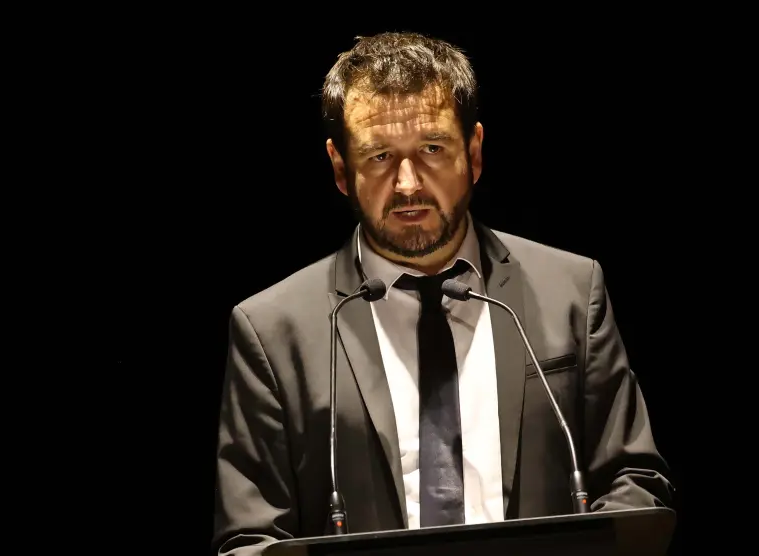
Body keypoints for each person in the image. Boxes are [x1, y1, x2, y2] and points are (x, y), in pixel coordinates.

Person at [212, 31, 675, 555]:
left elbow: (635, 482)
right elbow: (251, 539)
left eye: (432, 149)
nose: (408, 183)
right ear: (340, 167)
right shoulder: (273, 330)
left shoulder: (569, 290)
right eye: (379, 156)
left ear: (474, 152)